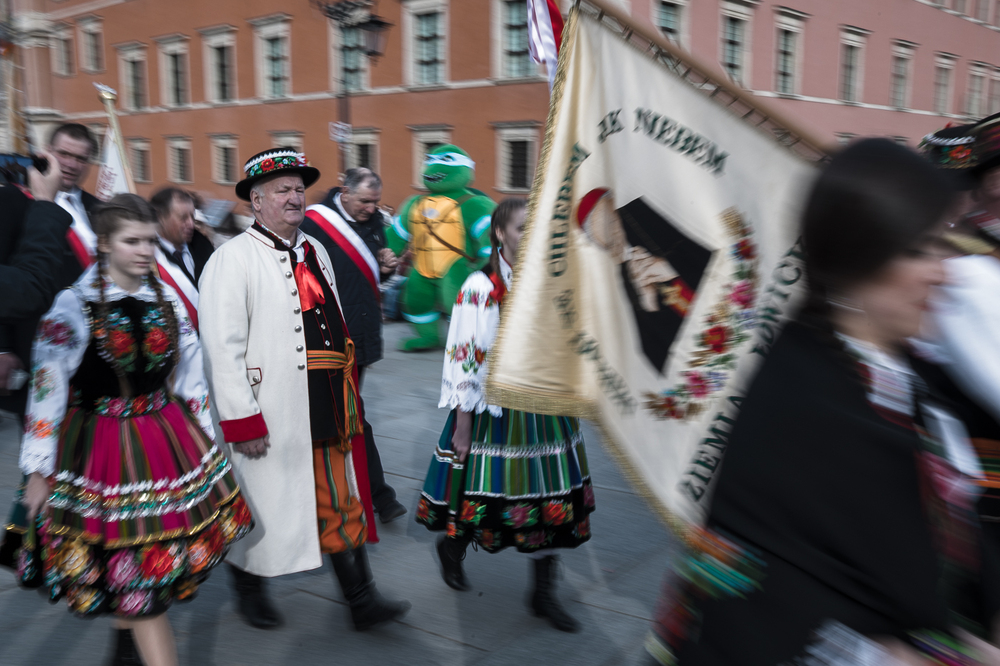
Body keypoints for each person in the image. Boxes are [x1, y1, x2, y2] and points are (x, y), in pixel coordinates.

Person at [647, 139, 1000, 665]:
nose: (943, 269)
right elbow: (751, 595)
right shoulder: (799, 392)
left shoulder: (912, 373)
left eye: (943, 243)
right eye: (919, 249)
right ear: (862, 255)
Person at [15, 193, 252, 666]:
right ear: (104, 244)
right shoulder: (73, 306)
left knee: (141, 573)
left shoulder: (166, 300)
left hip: (165, 441)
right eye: (131, 241)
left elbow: (190, 376)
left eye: (148, 241)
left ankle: (123, 655)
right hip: (98, 449)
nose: (144, 251)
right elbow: (47, 388)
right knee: (137, 577)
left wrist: (206, 437)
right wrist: (38, 468)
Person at [198, 147, 410, 631]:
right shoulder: (231, 260)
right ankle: (249, 587)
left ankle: (362, 600)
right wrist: (241, 419)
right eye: (282, 190)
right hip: (269, 407)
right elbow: (221, 351)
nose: (295, 198)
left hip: (328, 402)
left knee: (340, 499)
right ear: (256, 201)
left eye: (299, 189)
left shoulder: (314, 250)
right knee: (263, 505)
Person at [415, 197, 596, 633]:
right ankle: (453, 547)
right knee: (478, 497)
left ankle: (543, 593)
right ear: (500, 233)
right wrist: (462, 423)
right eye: (520, 229)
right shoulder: (480, 286)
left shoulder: (548, 279)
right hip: (492, 408)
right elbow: (464, 356)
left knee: (549, 501)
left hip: (545, 407)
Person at [302, 168, 406, 524]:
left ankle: (359, 495)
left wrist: (387, 268)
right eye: (364, 201)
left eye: (375, 201)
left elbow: (369, 272)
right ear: (344, 192)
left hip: (361, 336)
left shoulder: (376, 222)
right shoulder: (314, 224)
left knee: (348, 416)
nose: (370, 207)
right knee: (350, 416)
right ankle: (377, 496)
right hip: (327, 338)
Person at [149, 187, 215, 331]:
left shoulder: (204, 246)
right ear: (160, 217)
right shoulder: (149, 258)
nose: (191, 224)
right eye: (183, 218)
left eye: (192, 216)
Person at [49, 123, 101, 265]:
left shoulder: (100, 207)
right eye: (64, 154)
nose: (71, 165)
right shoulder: (20, 201)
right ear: (48, 151)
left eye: (81, 159)